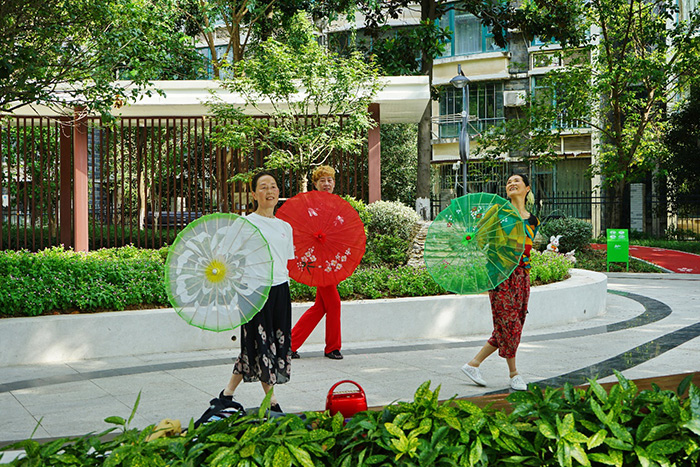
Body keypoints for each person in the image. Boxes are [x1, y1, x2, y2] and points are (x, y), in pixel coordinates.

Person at [220, 171, 294, 412]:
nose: (269, 191)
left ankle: (226, 393)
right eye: (263, 187)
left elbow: (285, 260)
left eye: (273, 186)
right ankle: (271, 402)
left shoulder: (285, 227)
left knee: (254, 347)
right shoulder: (245, 223)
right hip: (254, 292)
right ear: (254, 193)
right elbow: (228, 257)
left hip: (281, 290)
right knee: (263, 346)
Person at [460, 173, 540, 391]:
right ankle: (514, 374)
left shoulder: (533, 220)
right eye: (509, 182)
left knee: (514, 322)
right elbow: (480, 239)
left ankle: (473, 364)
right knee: (509, 323)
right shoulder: (498, 212)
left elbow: (527, 248)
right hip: (499, 274)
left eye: (517, 182)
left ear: (527, 189)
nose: (512, 184)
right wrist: (473, 236)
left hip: (522, 275)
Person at [290, 165, 344, 360]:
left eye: (330, 180)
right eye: (322, 180)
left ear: (334, 183)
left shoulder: (338, 205)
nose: (327, 183)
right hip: (317, 261)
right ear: (315, 184)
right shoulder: (310, 205)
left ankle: (289, 344)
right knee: (335, 303)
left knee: (320, 307)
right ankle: (332, 347)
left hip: (331, 260)